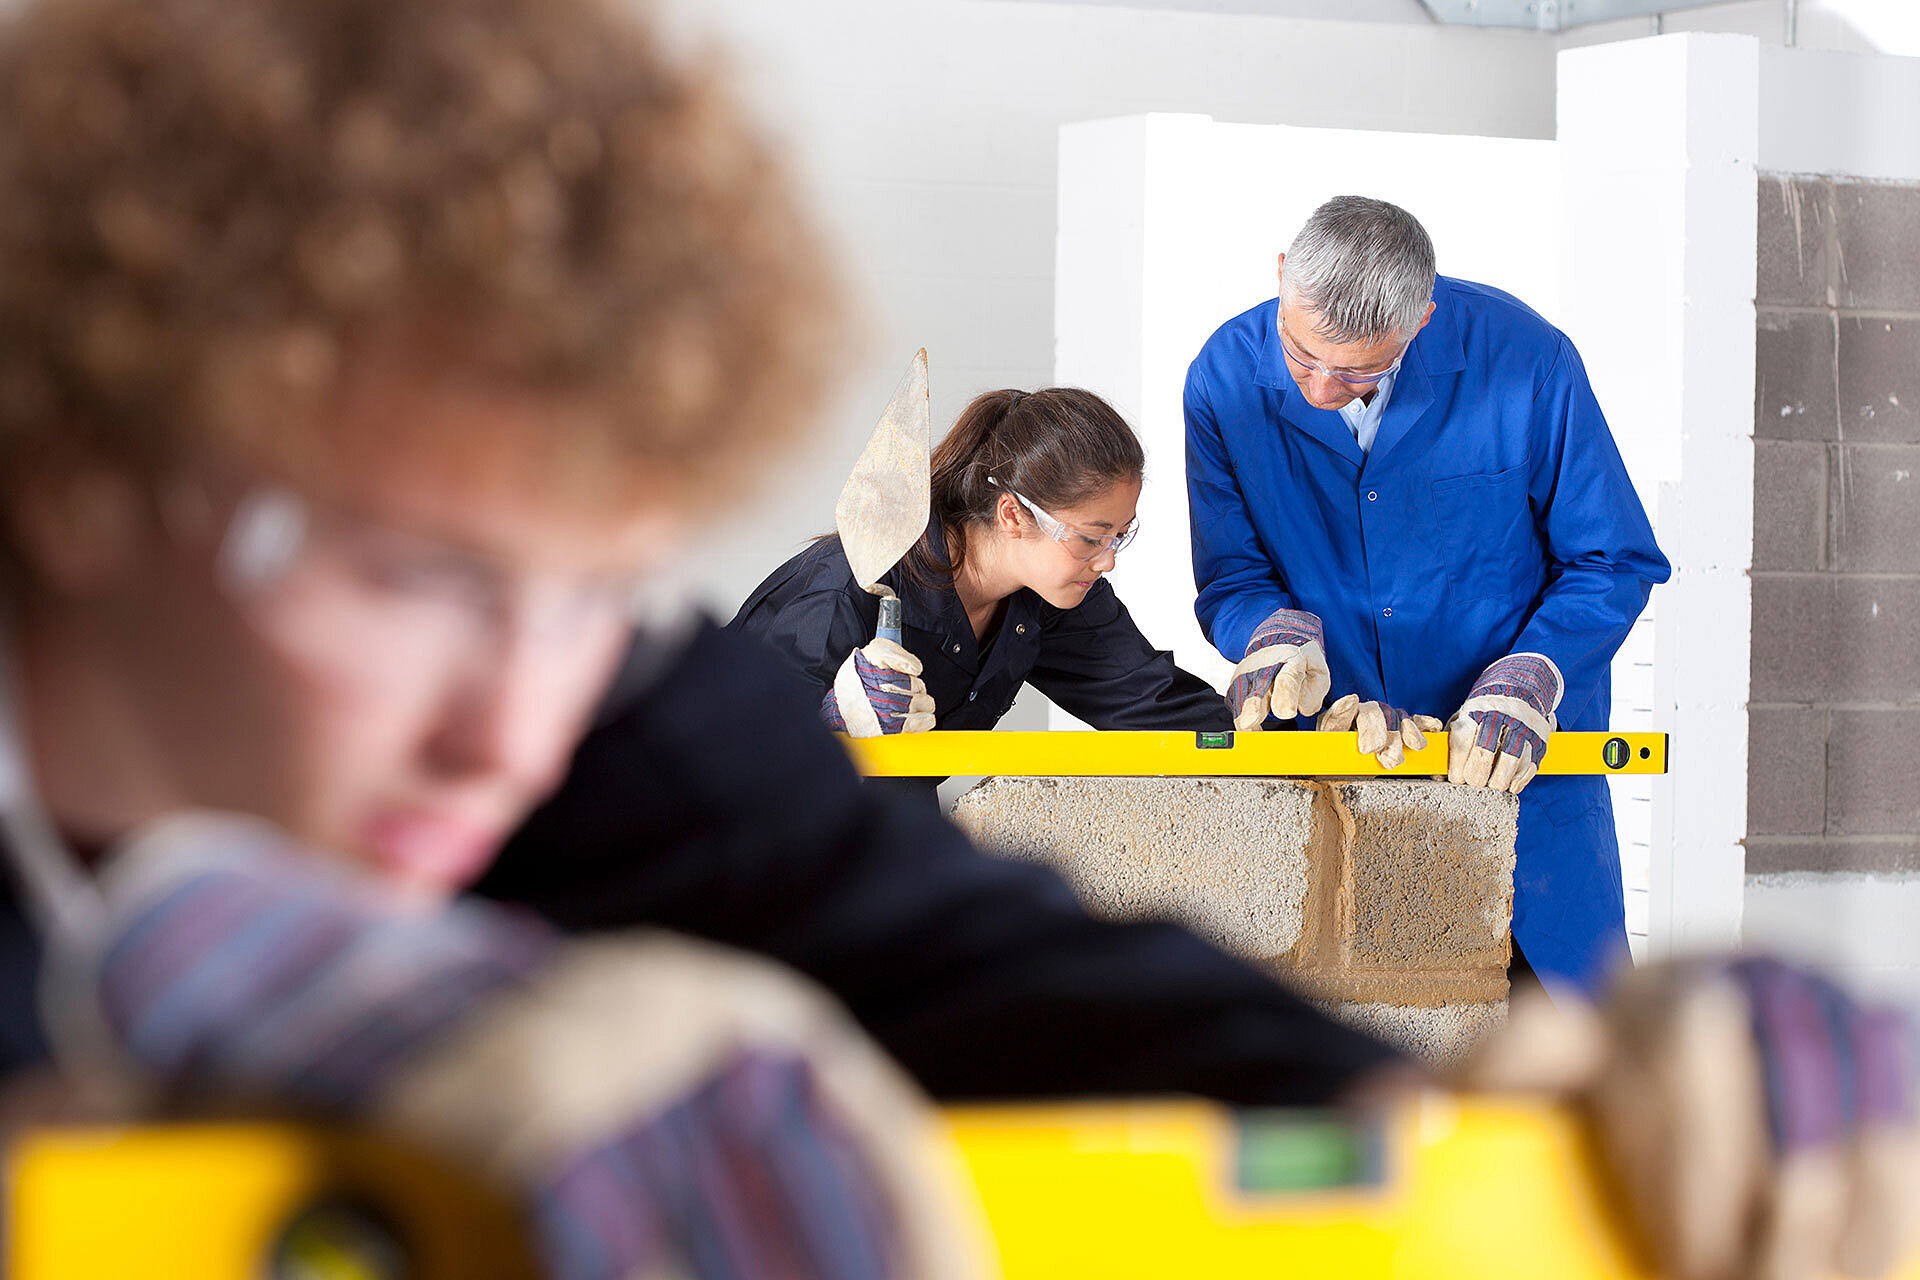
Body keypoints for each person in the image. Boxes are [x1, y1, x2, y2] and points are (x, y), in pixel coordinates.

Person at [0, 0, 1912, 1275]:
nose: (513, 725)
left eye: (585, 587)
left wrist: (1466, 1117)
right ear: (74, 479)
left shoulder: (618, 737)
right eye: (415, 577)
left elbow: (993, 956)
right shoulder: (877, 597)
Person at [1186, 196, 1672, 995]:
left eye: (1355, 372)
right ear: (1281, 279)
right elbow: (1233, 573)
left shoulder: (1527, 361)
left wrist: (1538, 669)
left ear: (1420, 320)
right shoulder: (1222, 376)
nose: (1316, 389)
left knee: (1555, 1052)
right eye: (1301, 354)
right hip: (1339, 764)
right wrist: (1269, 634)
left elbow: (1612, 557)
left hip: (1516, 775)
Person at [730, 386, 1230, 753]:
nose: (1108, 559)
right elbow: (717, 767)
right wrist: (829, 730)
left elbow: (1157, 706)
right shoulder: (847, 588)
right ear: (1013, 514)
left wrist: (1276, 719)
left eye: (1120, 534)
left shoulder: (1048, 595)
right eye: (1090, 536)